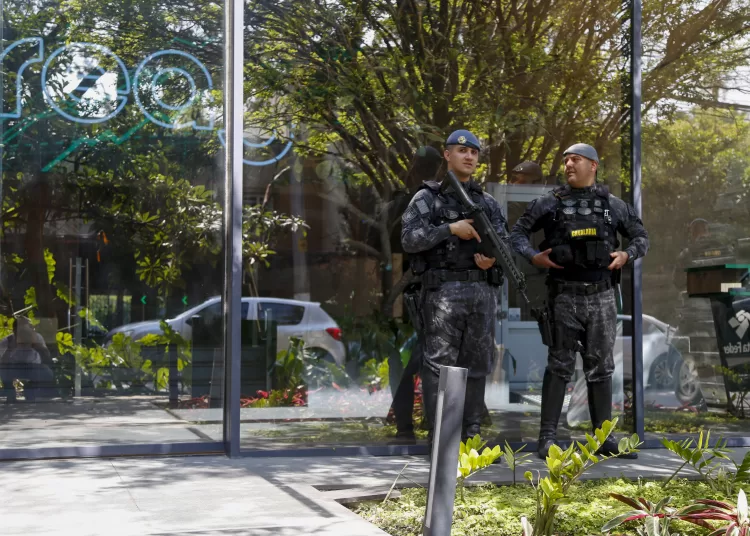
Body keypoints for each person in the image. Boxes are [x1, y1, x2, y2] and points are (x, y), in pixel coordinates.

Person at [510, 143, 649, 459]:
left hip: (601, 298)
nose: (569, 164)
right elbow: (516, 234)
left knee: (601, 368)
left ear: (594, 165)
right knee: (559, 366)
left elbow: (642, 238)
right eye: (566, 160)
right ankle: (547, 439)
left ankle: (603, 440)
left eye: (575, 159)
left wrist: (627, 254)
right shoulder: (549, 203)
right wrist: (534, 257)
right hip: (563, 297)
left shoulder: (613, 205)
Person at [401, 129, 507, 449]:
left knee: (477, 365)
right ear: (447, 156)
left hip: (480, 293)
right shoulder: (427, 198)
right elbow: (409, 239)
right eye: (462, 151)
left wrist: (492, 261)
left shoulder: (486, 202)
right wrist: (450, 229)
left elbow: (504, 245)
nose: (469, 157)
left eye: (474, 152)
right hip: (443, 291)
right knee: (439, 366)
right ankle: (441, 439)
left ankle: (471, 434)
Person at [389, 146, 443, 441]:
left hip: (425, 289)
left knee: (419, 360)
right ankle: (407, 426)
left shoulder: (430, 199)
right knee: (411, 361)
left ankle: (412, 426)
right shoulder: (413, 200)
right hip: (409, 289)